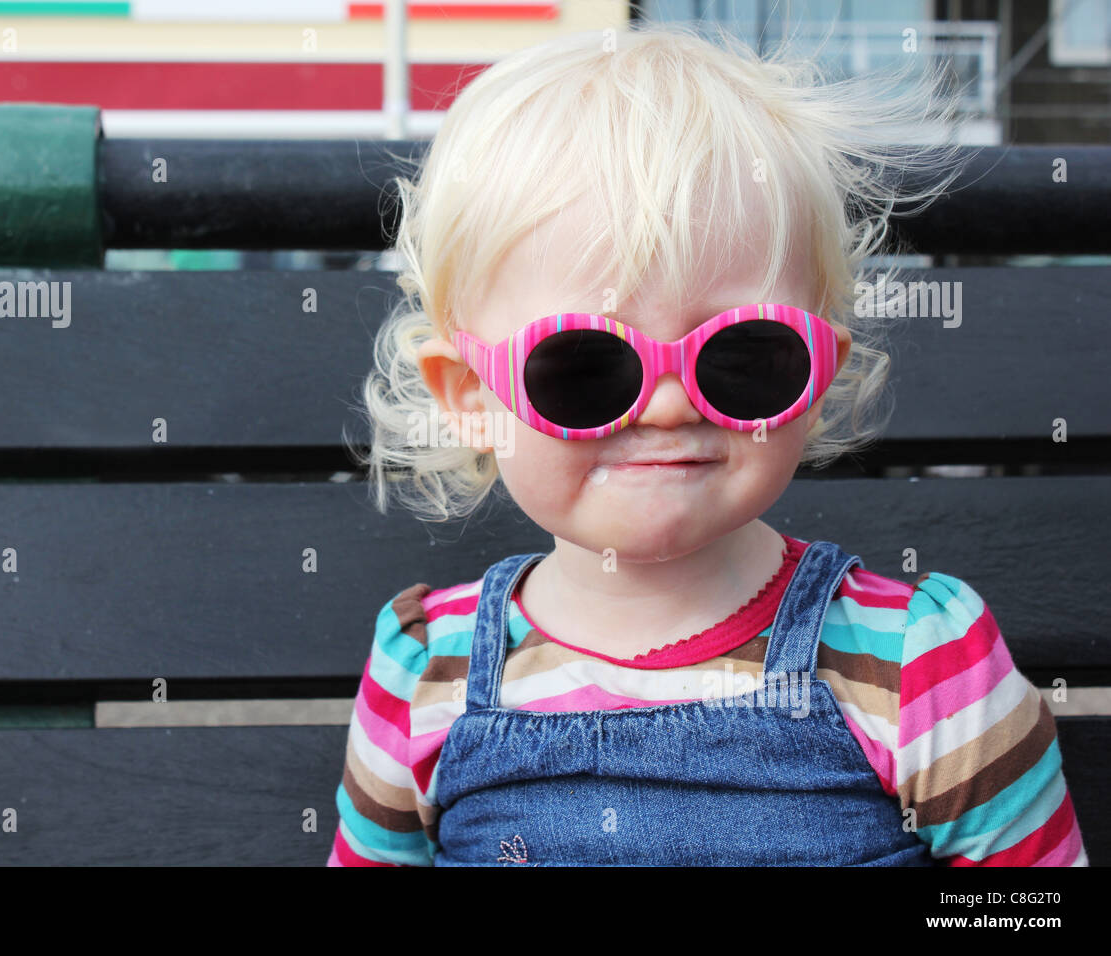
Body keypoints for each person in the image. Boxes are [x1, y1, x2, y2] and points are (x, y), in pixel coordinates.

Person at [329, 23, 1087, 866]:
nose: (666, 407)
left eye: (743, 357)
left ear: (820, 373)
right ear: (472, 398)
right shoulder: (427, 670)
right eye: (584, 366)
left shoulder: (919, 667)